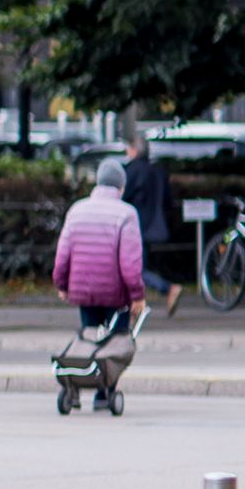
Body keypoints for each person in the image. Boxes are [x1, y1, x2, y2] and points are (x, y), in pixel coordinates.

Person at [51, 154, 147, 343]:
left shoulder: (76, 210)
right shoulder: (127, 214)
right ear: (121, 186)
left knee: (89, 342)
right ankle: (108, 373)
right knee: (115, 346)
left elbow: (63, 255)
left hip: (84, 291)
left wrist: (61, 284)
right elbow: (130, 264)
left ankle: (92, 372)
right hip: (116, 294)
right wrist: (137, 296)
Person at [122, 142, 184, 317]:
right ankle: (136, 305)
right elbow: (168, 202)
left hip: (135, 228)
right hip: (155, 227)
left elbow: (124, 197)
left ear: (134, 150)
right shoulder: (158, 171)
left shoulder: (132, 171)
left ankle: (166, 289)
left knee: (134, 269)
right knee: (138, 267)